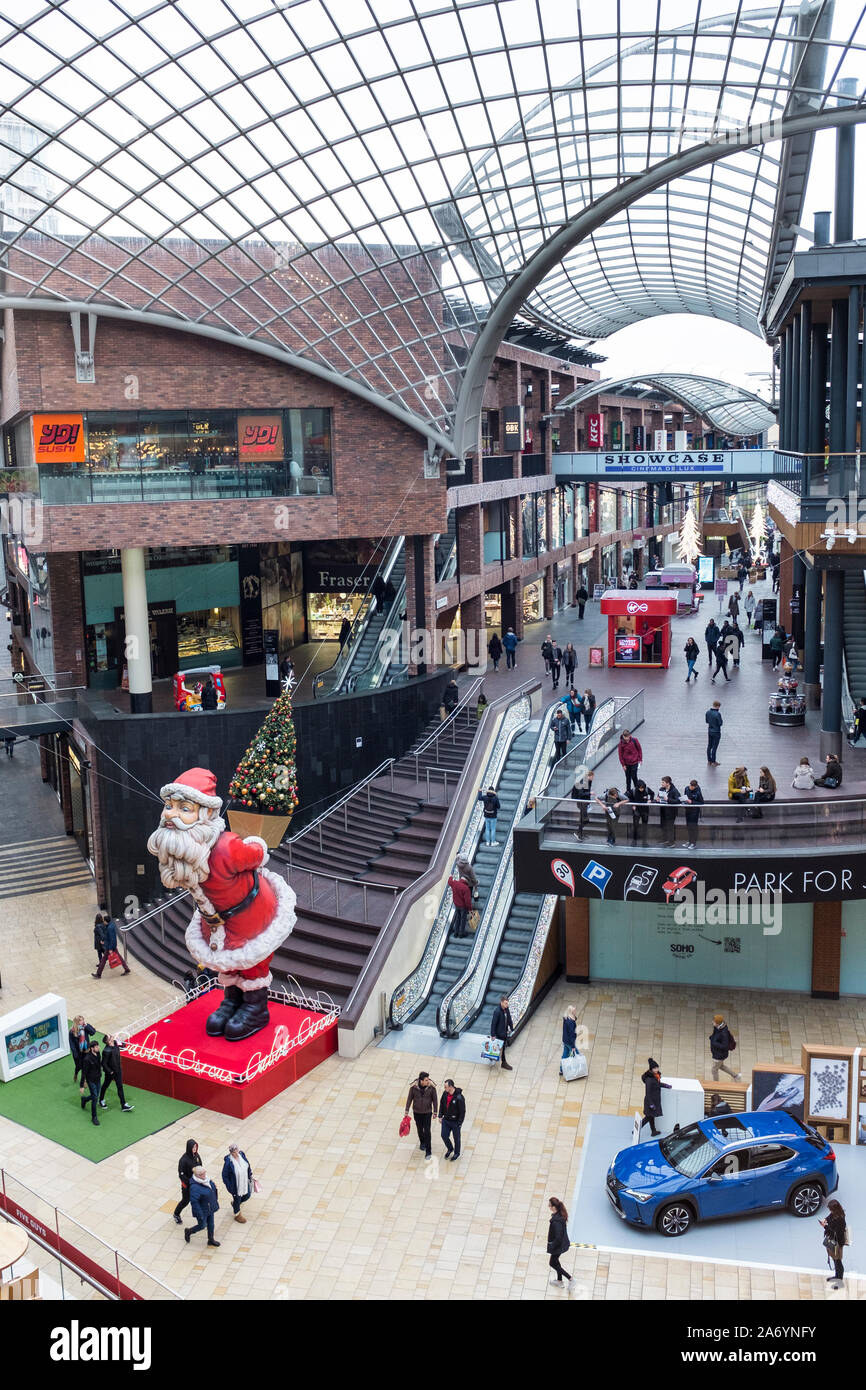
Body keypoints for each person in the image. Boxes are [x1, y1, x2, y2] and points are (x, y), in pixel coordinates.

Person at [404, 1071, 438, 1158]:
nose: (428, 1081)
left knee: (427, 1131)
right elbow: (409, 1099)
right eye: (426, 1080)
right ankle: (422, 1142)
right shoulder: (413, 1087)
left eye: (428, 1079)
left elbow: (435, 1100)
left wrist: (435, 1111)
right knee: (419, 1129)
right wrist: (406, 1110)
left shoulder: (432, 1088)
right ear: (421, 1080)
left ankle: (428, 1151)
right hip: (417, 1112)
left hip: (427, 1112)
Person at [186, 1167, 220, 1247]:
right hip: (202, 1210)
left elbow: (213, 1191)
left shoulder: (207, 1180)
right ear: (197, 1175)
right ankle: (189, 1231)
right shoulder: (194, 1187)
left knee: (211, 1224)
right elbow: (194, 1202)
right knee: (202, 1225)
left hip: (210, 1207)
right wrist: (200, 1214)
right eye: (202, 1174)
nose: (204, 1175)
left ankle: (211, 1239)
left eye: (204, 1173)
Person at [99, 1034, 134, 1112]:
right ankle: (101, 1100)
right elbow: (103, 1063)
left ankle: (123, 1105)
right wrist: (110, 1071)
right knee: (105, 1085)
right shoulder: (106, 1051)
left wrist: (122, 1043)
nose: (112, 1036)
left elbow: (124, 1045)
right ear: (108, 1041)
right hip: (111, 1072)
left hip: (118, 1070)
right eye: (110, 1037)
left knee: (120, 1087)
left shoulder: (115, 1043)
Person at [92, 910, 130, 978]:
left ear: (106, 921)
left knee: (103, 960)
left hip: (110, 947)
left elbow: (112, 939)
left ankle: (98, 974)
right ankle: (126, 969)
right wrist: (103, 940)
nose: (103, 922)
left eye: (104, 921)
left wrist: (110, 949)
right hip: (111, 946)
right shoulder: (110, 925)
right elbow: (107, 936)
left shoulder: (109, 928)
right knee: (119, 958)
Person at [820, 1198, 848, 1287]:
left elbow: (836, 1233)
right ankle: (837, 1276)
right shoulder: (834, 1214)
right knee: (835, 1260)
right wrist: (825, 1220)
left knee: (838, 1261)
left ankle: (840, 1281)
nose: (830, 1211)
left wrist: (825, 1227)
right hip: (833, 1241)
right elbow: (829, 1217)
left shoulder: (840, 1219)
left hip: (837, 1243)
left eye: (831, 1209)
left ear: (834, 1209)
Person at [221, 1144, 254, 1222]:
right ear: (231, 1153)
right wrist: (230, 1187)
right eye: (233, 1152)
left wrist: (250, 1175)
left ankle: (235, 1203)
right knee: (237, 1198)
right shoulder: (228, 1162)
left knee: (247, 1195)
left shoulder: (242, 1155)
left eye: (236, 1151)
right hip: (235, 1186)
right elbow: (224, 1176)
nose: (236, 1153)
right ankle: (237, 1214)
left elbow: (247, 1165)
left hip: (244, 1181)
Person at [640, 1058, 671, 1137]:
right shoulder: (649, 1079)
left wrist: (665, 1085)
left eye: (657, 1067)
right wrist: (651, 1104)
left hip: (654, 1101)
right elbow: (647, 1093)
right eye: (655, 1068)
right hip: (650, 1101)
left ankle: (653, 1131)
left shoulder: (656, 1076)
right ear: (651, 1069)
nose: (656, 1069)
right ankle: (637, 1129)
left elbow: (657, 1084)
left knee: (651, 1116)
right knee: (648, 1117)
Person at [546, 1197, 573, 1289]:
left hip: (558, 1246)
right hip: (561, 1244)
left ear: (554, 1207)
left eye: (549, 1205)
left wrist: (551, 1245)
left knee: (552, 1263)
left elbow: (558, 1237)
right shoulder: (559, 1216)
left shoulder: (556, 1222)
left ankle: (570, 1279)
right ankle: (559, 1281)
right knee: (555, 1262)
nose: (548, 1206)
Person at [174, 1139, 200, 1224]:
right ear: (189, 1148)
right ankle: (176, 1214)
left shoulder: (197, 1156)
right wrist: (190, 1182)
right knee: (185, 1201)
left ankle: (202, 1218)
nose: (195, 1148)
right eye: (193, 1147)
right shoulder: (183, 1160)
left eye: (196, 1147)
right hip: (187, 1185)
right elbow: (181, 1175)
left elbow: (200, 1166)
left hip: (197, 1183)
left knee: (200, 1199)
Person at [439, 1079, 465, 1160]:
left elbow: (462, 1111)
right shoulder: (445, 1094)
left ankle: (457, 1153)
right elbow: (442, 1104)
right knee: (444, 1135)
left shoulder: (459, 1097)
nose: (444, 1088)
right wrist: (440, 1115)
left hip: (455, 1122)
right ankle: (450, 1148)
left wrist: (459, 1123)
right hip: (446, 1120)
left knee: (456, 1138)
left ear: (450, 1087)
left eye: (446, 1087)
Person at [709, 1013, 741, 1081]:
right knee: (721, 1066)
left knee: (714, 1070)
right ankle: (736, 1076)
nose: (712, 1022)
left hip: (719, 1055)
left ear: (717, 1023)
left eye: (714, 1021)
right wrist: (712, 1038)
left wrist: (714, 1043)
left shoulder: (724, 1033)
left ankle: (716, 1085)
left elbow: (725, 1046)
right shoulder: (717, 1027)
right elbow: (715, 1035)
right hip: (717, 1053)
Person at [79, 1039, 103, 1126]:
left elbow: (99, 1064)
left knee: (95, 1095)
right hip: (91, 1080)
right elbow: (84, 1072)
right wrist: (82, 1085)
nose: (98, 1048)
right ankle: (94, 1117)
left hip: (98, 1078)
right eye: (96, 1047)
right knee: (95, 1098)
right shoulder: (87, 1059)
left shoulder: (98, 1054)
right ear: (92, 1048)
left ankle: (84, 1099)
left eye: (98, 1046)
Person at [69, 1015, 95, 1085]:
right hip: (78, 1053)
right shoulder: (72, 1031)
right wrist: (76, 1055)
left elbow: (93, 1032)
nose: (82, 1021)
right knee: (79, 1066)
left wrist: (87, 1026)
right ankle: (76, 1073)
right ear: (77, 1022)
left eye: (83, 1020)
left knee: (86, 1066)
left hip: (86, 1051)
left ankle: (84, 1080)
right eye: (81, 1020)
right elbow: (72, 1045)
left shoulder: (85, 1027)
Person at [447, 869, 472, 938]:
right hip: (463, 906)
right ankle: (461, 933)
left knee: (458, 918)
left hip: (456, 905)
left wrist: (451, 876)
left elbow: (449, 882)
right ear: (467, 881)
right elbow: (467, 901)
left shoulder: (455, 883)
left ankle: (456, 933)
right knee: (463, 919)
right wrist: (470, 909)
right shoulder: (466, 888)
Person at [491, 996, 514, 1071]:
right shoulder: (497, 1011)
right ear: (501, 1003)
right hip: (499, 1034)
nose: (507, 1005)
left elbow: (509, 1019)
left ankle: (502, 1062)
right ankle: (503, 1062)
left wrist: (511, 1027)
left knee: (503, 1048)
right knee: (501, 1048)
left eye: (507, 1003)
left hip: (504, 1033)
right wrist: (493, 1035)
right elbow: (493, 1023)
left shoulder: (506, 1009)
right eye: (505, 1003)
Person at [617, 730, 643, 796]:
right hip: (626, 763)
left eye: (628, 737)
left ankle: (637, 789)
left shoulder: (634, 740)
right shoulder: (621, 744)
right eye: (625, 737)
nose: (626, 739)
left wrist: (640, 759)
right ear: (623, 736)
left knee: (634, 776)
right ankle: (628, 790)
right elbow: (620, 755)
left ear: (629, 736)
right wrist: (623, 765)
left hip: (634, 762)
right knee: (628, 777)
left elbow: (639, 749)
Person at [571, 767, 594, 840]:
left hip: (585, 802)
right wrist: (589, 793)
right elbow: (581, 793)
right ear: (589, 776)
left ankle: (580, 834)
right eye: (592, 776)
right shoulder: (583, 782)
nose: (593, 778)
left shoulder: (588, 782)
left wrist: (589, 801)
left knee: (583, 819)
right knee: (584, 819)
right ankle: (578, 833)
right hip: (581, 802)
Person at [630, 777, 654, 846]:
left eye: (642, 788)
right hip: (636, 810)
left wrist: (651, 800)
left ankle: (644, 841)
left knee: (645, 826)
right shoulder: (633, 790)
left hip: (645, 810)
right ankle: (634, 840)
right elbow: (627, 797)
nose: (641, 789)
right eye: (640, 788)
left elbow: (652, 793)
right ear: (637, 787)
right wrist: (633, 804)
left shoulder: (646, 789)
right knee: (635, 826)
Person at [658, 776, 681, 847]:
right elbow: (659, 797)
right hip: (663, 811)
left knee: (670, 827)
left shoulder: (674, 790)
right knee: (663, 826)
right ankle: (665, 839)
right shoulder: (661, 789)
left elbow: (678, 800)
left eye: (663, 782)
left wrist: (668, 799)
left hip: (671, 813)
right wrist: (657, 799)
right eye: (662, 782)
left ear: (668, 783)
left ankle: (671, 842)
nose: (661, 784)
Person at [682, 779, 703, 849]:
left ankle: (693, 843)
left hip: (694, 812)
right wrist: (684, 800)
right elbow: (685, 796)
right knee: (688, 826)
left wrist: (692, 802)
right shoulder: (687, 788)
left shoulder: (698, 792)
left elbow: (701, 802)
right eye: (690, 785)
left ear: (695, 787)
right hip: (687, 810)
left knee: (693, 827)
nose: (690, 787)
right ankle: (690, 841)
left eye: (692, 786)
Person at [560, 1004, 580, 1076]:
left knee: (565, 1055)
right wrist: (573, 1046)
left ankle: (561, 1069)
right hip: (569, 1042)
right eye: (574, 1010)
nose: (575, 1011)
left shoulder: (566, 1018)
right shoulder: (571, 1022)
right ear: (571, 1012)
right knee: (576, 1054)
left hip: (565, 1040)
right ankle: (576, 1070)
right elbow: (571, 1035)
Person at [705, 700, 722, 765]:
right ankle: (713, 761)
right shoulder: (718, 714)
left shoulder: (708, 712)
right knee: (714, 747)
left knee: (709, 746)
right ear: (717, 706)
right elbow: (720, 723)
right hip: (716, 732)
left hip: (710, 731)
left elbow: (707, 721)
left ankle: (709, 761)